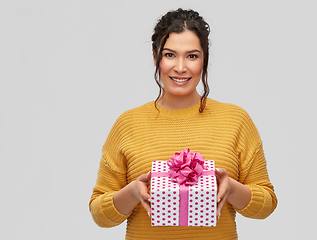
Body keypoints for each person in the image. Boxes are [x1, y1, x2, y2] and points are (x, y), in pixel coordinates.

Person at [89, 8, 277, 240]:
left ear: (204, 58)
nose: (180, 67)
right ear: (155, 55)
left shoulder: (236, 120)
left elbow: (266, 204)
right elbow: (99, 214)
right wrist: (132, 193)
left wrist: (233, 189)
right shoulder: (128, 124)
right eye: (170, 55)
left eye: (192, 56)